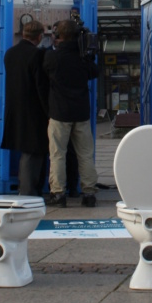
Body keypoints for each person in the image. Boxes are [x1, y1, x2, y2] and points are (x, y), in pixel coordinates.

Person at [40, 18, 99, 207]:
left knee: (57, 154)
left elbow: (45, 72)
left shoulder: (52, 57)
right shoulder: (83, 57)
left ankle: (58, 193)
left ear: (58, 35)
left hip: (59, 112)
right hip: (81, 112)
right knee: (85, 154)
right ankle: (89, 193)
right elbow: (94, 72)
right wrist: (89, 55)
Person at [0, 20, 49, 197]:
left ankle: (28, 189)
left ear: (23, 34)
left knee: (27, 150)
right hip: (33, 110)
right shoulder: (37, 55)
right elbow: (41, 85)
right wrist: (49, 110)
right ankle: (28, 191)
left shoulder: (10, 53)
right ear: (39, 36)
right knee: (33, 151)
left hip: (14, 108)